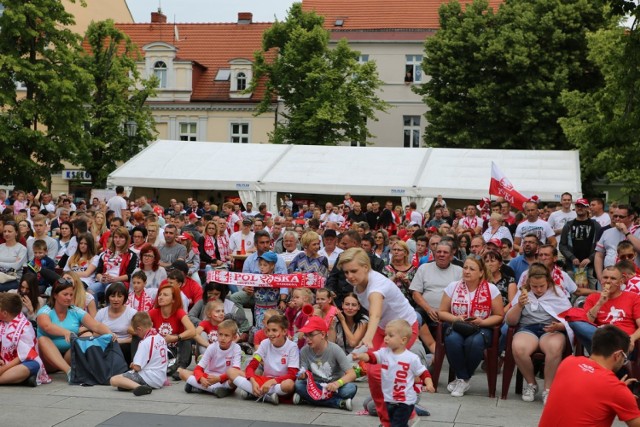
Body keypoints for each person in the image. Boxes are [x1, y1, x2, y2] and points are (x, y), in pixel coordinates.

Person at [338, 247, 419, 427]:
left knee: (378, 370)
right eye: (346, 272)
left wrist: (367, 337)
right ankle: (388, 420)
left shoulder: (376, 286)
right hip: (384, 328)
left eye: (353, 271)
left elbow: (374, 314)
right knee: (374, 373)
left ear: (366, 267)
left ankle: (406, 412)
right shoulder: (358, 282)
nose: (349, 276)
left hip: (403, 329)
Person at [539, 325, 640, 426]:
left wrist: (618, 392)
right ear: (618, 355)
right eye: (625, 357)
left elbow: (587, 392)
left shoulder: (568, 362)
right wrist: (622, 394)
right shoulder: (615, 389)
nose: (623, 362)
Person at [505, 263, 573, 404]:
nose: (538, 289)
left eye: (542, 286)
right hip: (528, 328)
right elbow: (510, 321)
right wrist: (519, 305)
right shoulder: (523, 293)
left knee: (554, 348)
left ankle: (548, 389)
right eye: (534, 286)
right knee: (518, 348)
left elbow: (570, 318)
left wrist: (560, 326)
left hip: (551, 328)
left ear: (547, 281)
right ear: (529, 282)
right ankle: (531, 384)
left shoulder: (557, 293)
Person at [438, 257, 504, 397]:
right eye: (465, 268)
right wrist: (455, 318)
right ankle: (463, 378)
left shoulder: (491, 289)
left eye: (471, 269)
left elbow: (499, 315)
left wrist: (482, 322)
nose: (467, 271)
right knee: (452, 340)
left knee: (473, 342)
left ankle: (462, 379)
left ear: (481, 273)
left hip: (482, 327)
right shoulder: (453, 286)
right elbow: (442, 312)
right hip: (458, 325)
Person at [353, 319, 435, 426]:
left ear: (403, 340)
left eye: (390, 336)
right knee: (394, 423)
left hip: (404, 401)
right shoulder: (384, 352)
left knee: (397, 424)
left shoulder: (411, 358)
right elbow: (372, 357)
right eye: (385, 335)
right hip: (388, 398)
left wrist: (429, 384)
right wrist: (361, 356)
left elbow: (423, 372)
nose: (386, 338)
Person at [36, 278, 112, 378]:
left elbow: (95, 325)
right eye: (65, 294)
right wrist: (65, 332)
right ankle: (69, 372)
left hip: (68, 357)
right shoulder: (45, 311)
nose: (69, 298)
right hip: (48, 361)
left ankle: (75, 368)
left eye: (71, 295)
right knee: (43, 340)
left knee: (87, 335)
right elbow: (47, 326)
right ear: (55, 295)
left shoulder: (75, 311)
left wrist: (110, 333)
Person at [227, 314, 299, 405]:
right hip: (264, 380)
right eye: (268, 330)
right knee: (231, 371)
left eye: (274, 330)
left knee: (289, 385)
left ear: (284, 331)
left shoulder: (292, 347)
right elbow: (252, 366)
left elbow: (292, 374)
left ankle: (256, 393)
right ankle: (265, 394)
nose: (270, 334)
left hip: (279, 383)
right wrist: (253, 382)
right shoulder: (265, 343)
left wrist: (272, 382)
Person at [568, 265, 640, 353]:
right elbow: (587, 323)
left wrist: (632, 338)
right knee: (573, 321)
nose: (608, 281)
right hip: (600, 338)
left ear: (621, 281)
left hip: (623, 339)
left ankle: (608, 352)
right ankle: (609, 349)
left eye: (613, 278)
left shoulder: (633, 298)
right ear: (601, 280)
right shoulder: (593, 298)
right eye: (605, 277)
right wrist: (599, 303)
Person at [294, 316, 357, 410]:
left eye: (311, 335)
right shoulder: (304, 351)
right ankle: (338, 402)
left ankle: (309, 399)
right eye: (305, 335)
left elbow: (352, 374)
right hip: (316, 385)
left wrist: (337, 383)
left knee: (350, 389)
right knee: (298, 385)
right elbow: (304, 373)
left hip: (334, 387)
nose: (307, 339)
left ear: (323, 334)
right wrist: (302, 375)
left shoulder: (335, 349)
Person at [110, 311, 168, 396]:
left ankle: (139, 387)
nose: (137, 334)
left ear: (139, 329)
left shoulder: (144, 342)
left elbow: (137, 367)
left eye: (136, 332)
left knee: (114, 380)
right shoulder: (161, 338)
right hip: (161, 378)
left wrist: (132, 364)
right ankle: (134, 385)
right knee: (122, 386)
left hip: (149, 378)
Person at [0, 293, 51, 386]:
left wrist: (3, 369)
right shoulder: (2, 323)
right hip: (4, 362)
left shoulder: (25, 327)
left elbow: (23, 356)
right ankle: (21, 379)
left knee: (31, 366)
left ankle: (11, 378)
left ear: (4, 313)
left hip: (21, 362)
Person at [181, 319, 241, 397]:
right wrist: (201, 379)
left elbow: (236, 370)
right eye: (220, 334)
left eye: (226, 335)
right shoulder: (212, 347)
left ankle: (200, 388)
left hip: (225, 379)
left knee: (235, 378)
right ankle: (216, 390)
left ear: (234, 337)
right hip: (209, 377)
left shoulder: (236, 348)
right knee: (182, 373)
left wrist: (219, 378)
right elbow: (198, 368)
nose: (222, 338)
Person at [148, 281, 196, 371]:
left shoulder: (179, 312)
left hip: (178, 350)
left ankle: (181, 368)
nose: (161, 297)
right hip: (161, 349)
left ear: (174, 299)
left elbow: (192, 331)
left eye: (165, 295)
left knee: (186, 339)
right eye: (160, 294)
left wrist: (176, 338)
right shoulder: (153, 312)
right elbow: (136, 327)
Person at [94, 282, 137, 364]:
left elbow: (136, 338)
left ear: (124, 298)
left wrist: (119, 341)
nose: (116, 299)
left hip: (125, 346)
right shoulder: (101, 313)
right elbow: (95, 334)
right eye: (113, 296)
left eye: (120, 296)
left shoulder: (132, 313)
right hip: (105, 343)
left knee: (121, 348)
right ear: (108, 298)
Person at [94, 226, 138, 296]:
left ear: (126, 240)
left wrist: (115, 279)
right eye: (116, 237)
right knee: (90, 290)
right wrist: (101, 278)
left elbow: (131, 275)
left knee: (111, 289)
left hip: (120, 282)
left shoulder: (131, 255)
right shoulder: (105, 253)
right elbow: (98, 272)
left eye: (121, 237)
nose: (117, 240)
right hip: (104, 281)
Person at [384, 240, 417, 306]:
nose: (396, 252)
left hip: (409, 304)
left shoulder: (414, 269)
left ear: (405, 253)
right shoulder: (386, 269)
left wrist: (407, 282)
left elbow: (416, 292)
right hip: (390, 304)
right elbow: (383, 288)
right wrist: (394, 277)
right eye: (394, 250)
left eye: (399, 250)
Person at [0, 221, 28, 292]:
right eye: (5, 231)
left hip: (14, 279)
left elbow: (16, 266)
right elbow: (14, 265)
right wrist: (12, 263)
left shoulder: (22, 249)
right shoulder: (0, 247)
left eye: (9, 231)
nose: (6, 234)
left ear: (16, 233)